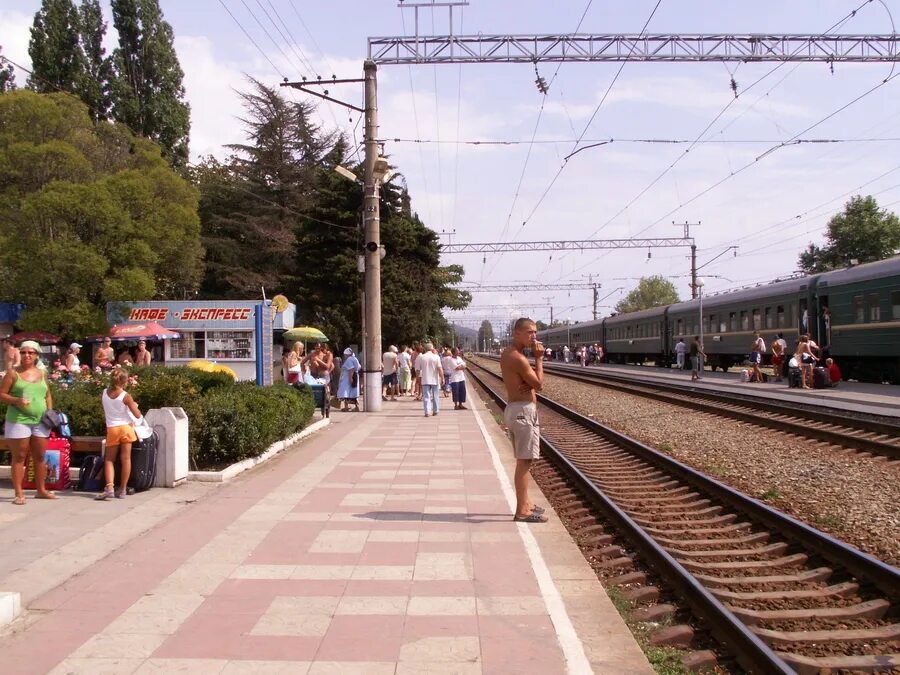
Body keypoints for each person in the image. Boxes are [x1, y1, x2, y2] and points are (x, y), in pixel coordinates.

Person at [500, 318, 547, 523]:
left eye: (535, 332)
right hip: (523, 412)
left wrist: (528, 382)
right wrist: (539, 359)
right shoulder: (518, 358)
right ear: (516, 333)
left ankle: (526, 503)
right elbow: (539, 384)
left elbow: (530, 383)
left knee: (524, 460)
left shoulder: (507, 353)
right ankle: (522, 511)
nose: (534, 336)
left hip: (515, 409)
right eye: (529, 332)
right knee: (525, 461)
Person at [0, 341, 56, 505]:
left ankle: (41, 490)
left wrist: (49, 411)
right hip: (18, 420)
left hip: (40, 421)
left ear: (37, 355)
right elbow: (2, 395)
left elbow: (47, 395)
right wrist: (16, 400)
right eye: (23, 352)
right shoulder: (12, 373)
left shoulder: (41, 373)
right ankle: (19, 493)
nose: (27, 355)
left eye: (31, 353)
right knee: (19, 456)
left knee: (39, 456)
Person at [96, 367, 143, 500]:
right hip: (126, 428)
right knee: (125, 459)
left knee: (109, 459)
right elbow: (137, 415)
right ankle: (122, 489)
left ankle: (110, 487)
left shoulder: (104, 393)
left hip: (112, 428)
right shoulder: (126, 396)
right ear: (125, 381)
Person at [417, 342, 444, 417]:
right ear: (432, 348)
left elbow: (418, 370)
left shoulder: (421, 357)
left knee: (426, 396)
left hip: (425, 379)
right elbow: (439, 368)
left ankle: (427, 412)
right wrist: (442, 377)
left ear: (425, 349)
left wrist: (417, 378)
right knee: (435, 395)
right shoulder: (436, 357)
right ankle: (435, 410)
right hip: (434, 379)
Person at [337, 347, 361, 412]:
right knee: (353, 392)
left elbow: (351, 369)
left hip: (347, 378)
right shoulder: (354, 358)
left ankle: (346, 407)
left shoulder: (349, 360)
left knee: (346, 393)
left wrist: (350, 378)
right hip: (354, 376)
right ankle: (355, 407)